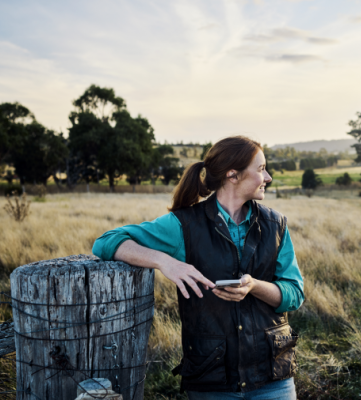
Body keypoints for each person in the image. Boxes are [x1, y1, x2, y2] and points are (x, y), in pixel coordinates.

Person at [93, 136, 304, 400]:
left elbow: (294, 294)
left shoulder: (276, 225)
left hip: (273, 378)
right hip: (211, 380)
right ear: (232, 175)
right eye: (261, 169)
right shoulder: (183, 225)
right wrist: (166, 262)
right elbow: (106, 242)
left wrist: (254, 287)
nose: (268, 177)